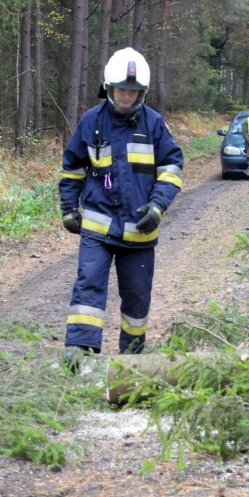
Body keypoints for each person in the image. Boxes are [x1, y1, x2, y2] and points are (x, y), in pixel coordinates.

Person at [58, 47, 184, 365]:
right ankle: (80, 357)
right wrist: (69, 207)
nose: (126, 96)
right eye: (121, 89)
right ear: (109, 88)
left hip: (139, 234)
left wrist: (157, 207)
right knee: (88, 288)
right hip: (98, 230)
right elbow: (72, 167)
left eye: (132, 91)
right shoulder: (91, 122)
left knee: (137, 298)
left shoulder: (154, 125)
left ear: (140, 92)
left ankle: (131, 361)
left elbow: (171, 169)